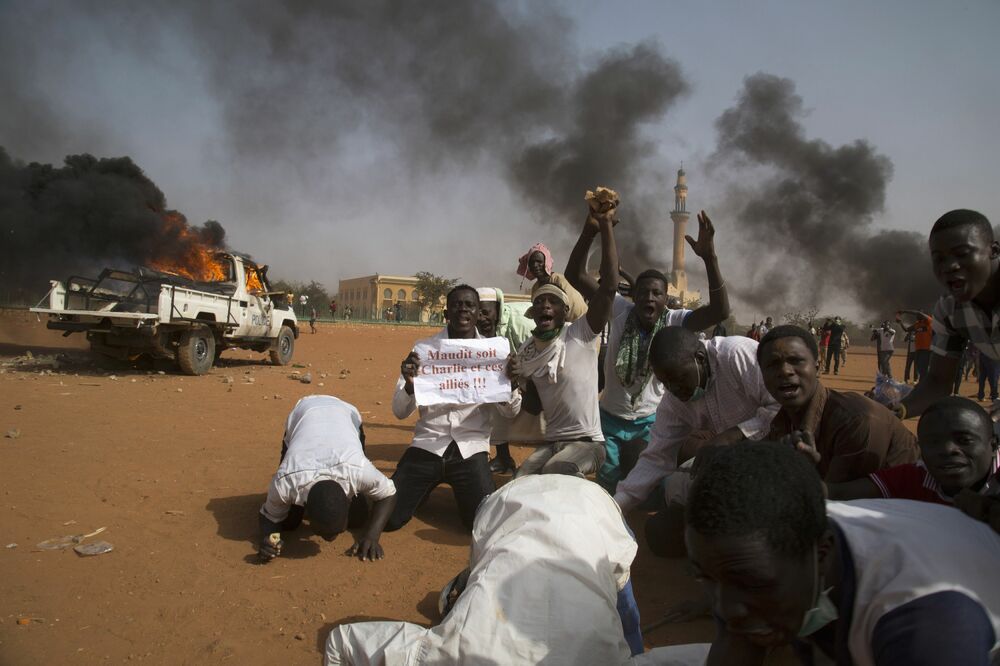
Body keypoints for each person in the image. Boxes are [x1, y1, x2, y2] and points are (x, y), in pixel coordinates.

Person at [680, 442, 1000, 666]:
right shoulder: (761, 553)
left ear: (822, 551)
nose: (725, 607)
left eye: (750, 583)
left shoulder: (927, 629)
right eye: (705, 576)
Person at [324, 475, 657, 665]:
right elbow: (341, 642)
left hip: (580, 508)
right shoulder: (445, 653)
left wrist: (633, 646)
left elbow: (340, 643)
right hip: (579, 505)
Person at [564, 209, 731, 492]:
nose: (649, 298)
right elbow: (575, 274)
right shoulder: (619, 310)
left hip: (652, 421)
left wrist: (709, 258)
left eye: (657, 293)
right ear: (634, 296)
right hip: (610, 419)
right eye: (643, 292)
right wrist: (591, 231)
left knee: (652, 482)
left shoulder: (674, 320)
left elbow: (720, 310)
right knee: (608, 482)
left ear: (666, 298)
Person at [387, 285, 521, 533]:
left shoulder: (494, 354)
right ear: (446, 312)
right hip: (428, 443)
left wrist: (511, 385)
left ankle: (442, 491)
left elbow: (510, 412)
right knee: (390, 518)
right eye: (457, 305)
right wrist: (409, 385)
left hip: (470, 448)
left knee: (481, 525)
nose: (463, 310)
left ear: (479, 312)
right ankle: (420, 490)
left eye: (469, 305)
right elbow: (399, 411)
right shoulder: (423, 351)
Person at [613, 326, 780, 514]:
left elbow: (780, 408)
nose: (674, 388)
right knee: (672, 496)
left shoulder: (737, 355)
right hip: (736, 467)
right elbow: (657, 456)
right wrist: (617, 506)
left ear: (700, 358)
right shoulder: (674, 401)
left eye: (680, 378)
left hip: (778, 460)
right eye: (665, 383)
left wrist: (732, 436)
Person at [507, 206, 620, 478]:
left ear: (564, 310)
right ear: (533, 313)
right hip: (553, 444)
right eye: (540, 302)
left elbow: (608, 289)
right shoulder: (528, 350)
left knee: (559, 470)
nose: (546, 305)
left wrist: (602, 227)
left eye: (553, 301)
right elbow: (530, 406)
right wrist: (512, 382)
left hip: (587, 444)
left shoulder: (578, 333)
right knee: (521, 481)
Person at [761, 325, 918, 482]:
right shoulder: (782, 422)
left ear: (817, 367)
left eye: (795, 361)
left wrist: (803, 471)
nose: (784, 371)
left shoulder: (856, 420)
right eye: (772, 364)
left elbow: (841, 501)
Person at [257, 395, 397, 563]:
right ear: (306, 505)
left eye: (335, 531)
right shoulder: (286, 481)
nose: (330, 539)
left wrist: (372, 536)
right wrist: (269, 538)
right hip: (303, 414)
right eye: (322, 532)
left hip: (345, 413)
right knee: (289, 522)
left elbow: (389, 493)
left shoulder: (359, 470)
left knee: (359, 518)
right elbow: (269, 517)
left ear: (348, 500)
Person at [799, 396, 999, 505]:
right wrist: (802, 470)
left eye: (964, 440)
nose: (948, 449)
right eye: (933, 442)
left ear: (993, 444)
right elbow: (836, 493)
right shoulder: (915, 476)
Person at [476, 286, 535, 474]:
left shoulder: (521, 322)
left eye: (486, 312)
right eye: (476, 312)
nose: (481, 318)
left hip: (538, 367)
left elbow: (542, 350)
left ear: (498, 311)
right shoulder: (475, 331)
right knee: (494, 395)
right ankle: (503, 457)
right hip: (515, 375)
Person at [516, 242, 588, 321]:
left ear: (546, 263)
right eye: (532, 262)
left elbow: (574, 308)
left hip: (579, 322)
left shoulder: (559, 280)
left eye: (539, 262)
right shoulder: (535, 288)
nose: (535, 265)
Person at [897, 309, 933, 383]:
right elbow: (906, 330)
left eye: (919, 315)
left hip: (926, 349)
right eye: (917, 315)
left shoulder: (929, 321)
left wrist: (905, 311)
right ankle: (922, 382)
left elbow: (918, 313)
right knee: (918, 367)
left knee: (924, 367)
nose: (917, 316)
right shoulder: (916, 324)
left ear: (923, 315)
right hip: (918, 349)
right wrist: (900, 322)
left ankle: (924, 383)